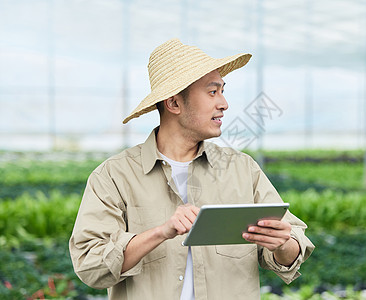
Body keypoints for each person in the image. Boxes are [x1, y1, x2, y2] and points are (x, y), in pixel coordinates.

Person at [69, 38, 314, 299]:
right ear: (174, 103)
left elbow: (293, 248)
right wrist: (161, 232)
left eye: (223, 91)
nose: (224, 103)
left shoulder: (243, 170)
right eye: (212, 92)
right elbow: (90, 264)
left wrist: (282, 244)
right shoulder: (114, 176)